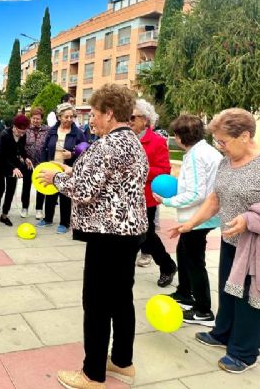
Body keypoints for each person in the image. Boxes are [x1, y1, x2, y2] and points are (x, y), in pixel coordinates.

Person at [171, 108, 260, 374]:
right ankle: (223, 334)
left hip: (259, 246)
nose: (220, 147)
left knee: (251, 298)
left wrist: (250, 218)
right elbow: (215, 198)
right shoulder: (227, 161)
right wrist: (190, 224)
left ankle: (244, 353)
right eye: (217, 142)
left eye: (223, 141)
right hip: (231, 241)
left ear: (245, 136)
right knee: (228, 292)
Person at [38, 83, 148, 388]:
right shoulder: (131, 141)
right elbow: (111, 181)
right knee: (121, 300)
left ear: (110, 114)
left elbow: (85, 192)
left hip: (107, 234)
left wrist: (56, 177)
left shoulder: (108, 144)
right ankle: (122, 362)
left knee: (97, 304)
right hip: (128, 231)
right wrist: (75, 171)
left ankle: (92, 374)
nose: (92, 121)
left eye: (96, 114)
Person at [154, 115, 223, 326]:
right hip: (202, 215)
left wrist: (167, 201)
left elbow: (196, 193)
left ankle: (203, 310)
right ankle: (184, 293)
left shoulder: (195, 156)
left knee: (194, 262)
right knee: (184, 254)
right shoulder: (207, 151)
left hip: (197, 217)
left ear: (180, 137)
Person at [130, 98, 177, 287]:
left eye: (133, 117)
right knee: (135, 234)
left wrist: (141, 169)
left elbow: (164, 170)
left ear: (145, 120)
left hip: (145, 197)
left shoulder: (157, 141)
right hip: (126, 196)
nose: (129, 120)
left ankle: (167, 266)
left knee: (146, 235)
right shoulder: (126, 138)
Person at [38, 102, 85, 234]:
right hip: (52, 166)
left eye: (72, 117)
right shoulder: (52, 131)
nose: (69, 119)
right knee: (50, 194)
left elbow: (85, 149)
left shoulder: (78, 133)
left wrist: (72, 153)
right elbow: (44, 148)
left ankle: (64, 223)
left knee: (65, 197)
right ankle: (47, 219)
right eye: (66, 117)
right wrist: (42, 164)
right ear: (59, 117)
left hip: (67, 170)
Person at [0, 114, 32, 227]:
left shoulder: (23, 135)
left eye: (24, 132)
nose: (22, 134)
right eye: (20, 131)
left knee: (11, 190)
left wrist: (26, 158)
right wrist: (13, 168)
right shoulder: (4, 135)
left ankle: (5, 215)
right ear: (14, 127)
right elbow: (1, 155)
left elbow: (21, 148)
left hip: (13, 164)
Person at [21, 107, 50, 219]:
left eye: (38, 119)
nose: (35, 121)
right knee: (26, 186)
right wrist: (25, 157)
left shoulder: (47, 130)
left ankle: (39, 209)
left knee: (40, 187)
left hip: (41, 163)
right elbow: (21, 146)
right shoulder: (26, 129)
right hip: (28, 163)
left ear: (42, 119)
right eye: (33, 118)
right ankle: (25, 208)